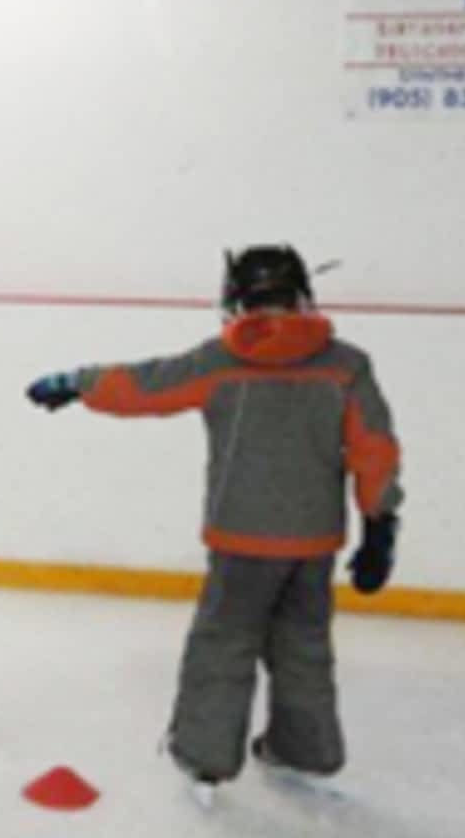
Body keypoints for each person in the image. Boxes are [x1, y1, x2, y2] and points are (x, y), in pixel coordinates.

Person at [26, 246, 403, 802]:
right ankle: (307, 749)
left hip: (241, 538)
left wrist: (76, 382)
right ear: (303, 293)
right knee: (304, 644)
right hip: (313, 542)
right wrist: (380, 525)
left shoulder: (221, 360)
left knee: (223, 643)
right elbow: (374, 448)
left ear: (234, 298)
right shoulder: (346, 364)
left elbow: (146, 385)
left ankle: (204, 756)